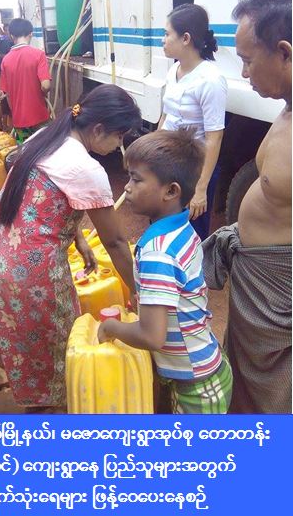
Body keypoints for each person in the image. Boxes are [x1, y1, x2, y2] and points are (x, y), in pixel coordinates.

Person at [0, 84, 141, 411]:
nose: (119, 146)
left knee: (23, 338)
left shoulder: (45, 137)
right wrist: (139, 290)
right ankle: (55, 413)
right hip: (30, 271)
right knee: (58, 345)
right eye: (119, 136)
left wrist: (76, 236)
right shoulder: (86, 168)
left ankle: (32, 399)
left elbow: (39, 198)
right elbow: (114, 242)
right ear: (98, 130)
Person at [202, 0, 292, 414]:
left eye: (248, 60)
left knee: (276, 393)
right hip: (257, 284)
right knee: (248, 385)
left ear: (284, 52)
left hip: (278, 294)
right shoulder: (287, 108)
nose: (244, 73)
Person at [98, 128, 233, 414]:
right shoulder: (181, 230)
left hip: (196, 389)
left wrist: (112, 328)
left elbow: (152, 336)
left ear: (171, 191)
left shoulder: (157, 251)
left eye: (136, 179)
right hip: (203, 366)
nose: (127, 187)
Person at [159, 3, 227, 241]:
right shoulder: (174, 70)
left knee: (190, 235)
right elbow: (166, 116)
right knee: (162, 224)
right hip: (167, 160)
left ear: (185, 38)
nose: (163, 40)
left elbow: (214, 137)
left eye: (167, 34)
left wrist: (200, 188)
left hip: (194, 168)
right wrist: (151, 151)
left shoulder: (210, 80)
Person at [0, 18, 51, 145]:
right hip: (39, 116)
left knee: (25, 152)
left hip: (19, 120)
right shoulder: (38, 54)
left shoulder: (5, 60)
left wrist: (16, 113)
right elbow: (45, 85)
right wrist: (43, 93)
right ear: (31, 34)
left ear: (11, 36)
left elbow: (7, 94)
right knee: (46, 151)